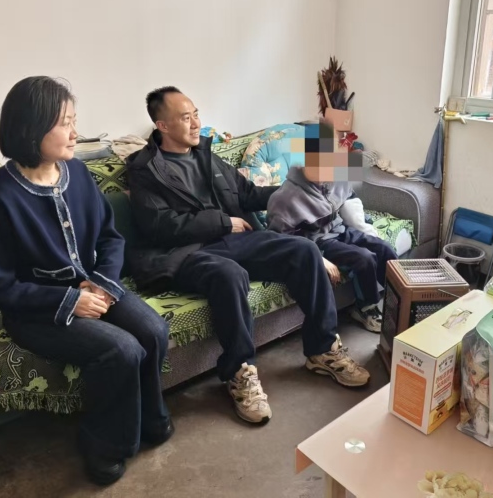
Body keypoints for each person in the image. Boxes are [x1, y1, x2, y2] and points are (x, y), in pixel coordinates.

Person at [0, 77, 172, 486]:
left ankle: (151, 417)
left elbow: (110, 238)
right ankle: (104, 443)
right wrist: (68, 300)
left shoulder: (77, 173)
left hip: (94, 286)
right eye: (65, 123)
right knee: (121, 350)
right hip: (35, 310)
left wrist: (101, 284)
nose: (75, 132)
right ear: (31, 128)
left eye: (74, 120)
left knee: (153, 330)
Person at [125, 87, 370, 426]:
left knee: (303, 249)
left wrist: (297, 189)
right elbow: (159, 226)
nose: (196, 123)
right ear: (162, 126)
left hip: (234, 240)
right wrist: (224, 222)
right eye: (185, 118)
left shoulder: (207, 155)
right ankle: (240, 373)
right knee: (229, 274)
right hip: (186, 253)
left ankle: (323, 349)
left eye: (196, 114)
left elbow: (248, 193)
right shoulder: (145, 170)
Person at [266, 123, 397, 333]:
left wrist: (367, 231)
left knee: (385, 249)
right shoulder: (284, 199)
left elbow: (349, 200)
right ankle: (366, 308)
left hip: (339, 230)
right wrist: (318, 258)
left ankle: (396, 301)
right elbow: (282, 242)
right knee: (363, 258)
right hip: (317, 243)